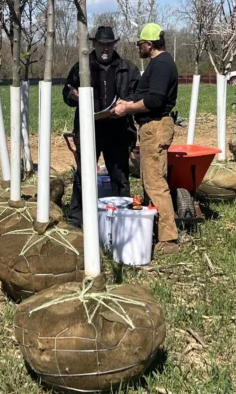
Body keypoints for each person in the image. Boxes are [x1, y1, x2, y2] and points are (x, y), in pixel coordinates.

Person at [112, 23, 180, 254]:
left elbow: (154, 101)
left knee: (155, 182)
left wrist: (128, 108)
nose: (138, 47)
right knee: (151, 179)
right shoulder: (159, 63)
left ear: (149, 44)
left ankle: (168, 239)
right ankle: (157, 229)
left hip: (155, 126)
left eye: (140, 43)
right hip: (151, 127)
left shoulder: (161, 64)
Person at [62, 25, 140, 228]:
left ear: (114, 45)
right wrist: (73, 97)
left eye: (108, 45)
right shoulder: (82, 67)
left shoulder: (127, 68)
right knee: (83, 175)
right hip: (90, 130)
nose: (105, 49)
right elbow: (66, 93)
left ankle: (122, 218)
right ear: (94, 44)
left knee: (120, 176)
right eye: (101, 45)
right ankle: (76, 220)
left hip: (118, 130)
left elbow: (137, 95)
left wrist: (126, 104)